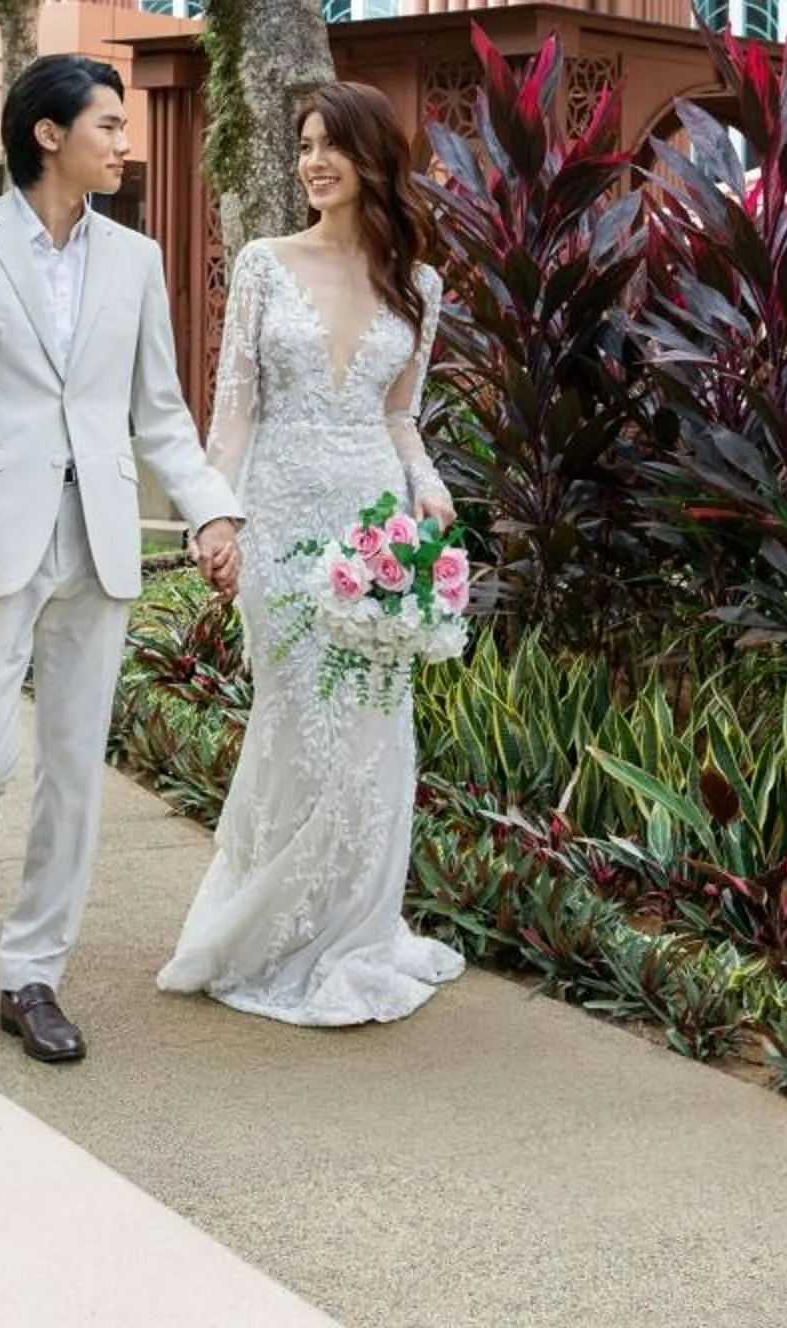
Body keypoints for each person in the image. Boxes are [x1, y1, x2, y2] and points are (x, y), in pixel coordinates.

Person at [0, 54, 244, 1064]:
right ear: (48, 133)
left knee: (75, 771)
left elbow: (160, 412)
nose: (125, 144)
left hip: (102, 540)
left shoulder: (135, 258)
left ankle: (30, 973)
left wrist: (215, 512)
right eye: (109, 125)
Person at [158, 80, 466, 1026]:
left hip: (377, 531)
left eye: (333, 144)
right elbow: (234, 414)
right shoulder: (262, 264)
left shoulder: (418, 284)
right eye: (304, 145)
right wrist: (216, 520)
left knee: (372, 735)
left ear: (376, 157)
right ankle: (268, 929)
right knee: (294, 721)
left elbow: (400, 418)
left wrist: (431, 491)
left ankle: (353, 930)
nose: (314, 162)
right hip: (283, 524)